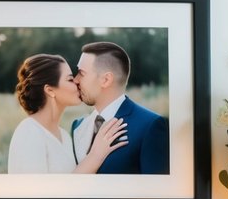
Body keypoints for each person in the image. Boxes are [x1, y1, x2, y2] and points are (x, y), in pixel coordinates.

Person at [7, 54, 127, 174]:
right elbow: (36, 192)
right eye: (70, 79)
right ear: (50, 90)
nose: (77, 81)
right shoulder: (29, 132)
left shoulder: (65, 136)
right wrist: (95, 155)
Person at [72, 41, 170, 174]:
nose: (76, 80)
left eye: (81, 73)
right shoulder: (77, 126)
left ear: (106, 80)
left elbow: (156, 191)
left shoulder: (150, 126)